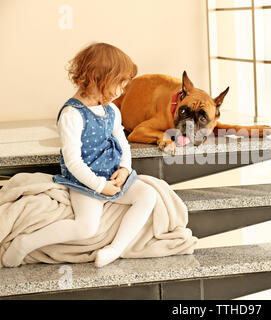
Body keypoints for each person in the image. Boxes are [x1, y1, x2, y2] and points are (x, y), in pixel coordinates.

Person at [2, 42, 157, 268]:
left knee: (148, 195)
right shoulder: (72, 114)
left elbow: (122, 142)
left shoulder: (111, 109)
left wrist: (124, 168)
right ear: (99, 79)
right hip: (85, 181)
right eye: (120, 84)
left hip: (113, 174)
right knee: (85, 227)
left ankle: (116, 248)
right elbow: (73, 162)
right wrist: (98, 186)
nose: (122, 90)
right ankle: (25, 244)